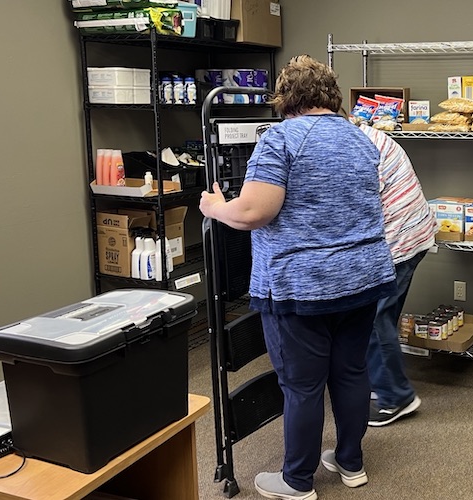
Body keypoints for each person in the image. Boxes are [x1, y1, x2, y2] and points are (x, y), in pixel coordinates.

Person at [200, 55, 396, 500]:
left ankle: (297, 481)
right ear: (332, 95)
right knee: (351, 372)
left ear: (285, 97)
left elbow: (253, 211)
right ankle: (350, 463)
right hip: (363, 277)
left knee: (303, 385)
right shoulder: (362, 137)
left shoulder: (281, 138)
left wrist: (215, 207)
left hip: (302, 286)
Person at [357, 124, 436, 426]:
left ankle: (396, 397)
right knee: (383, 317)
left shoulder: (358, 147)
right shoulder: (364, 133)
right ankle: (381, 383)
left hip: (398, 241)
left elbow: (356, 204)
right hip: (411, 233)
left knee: (373, 320)